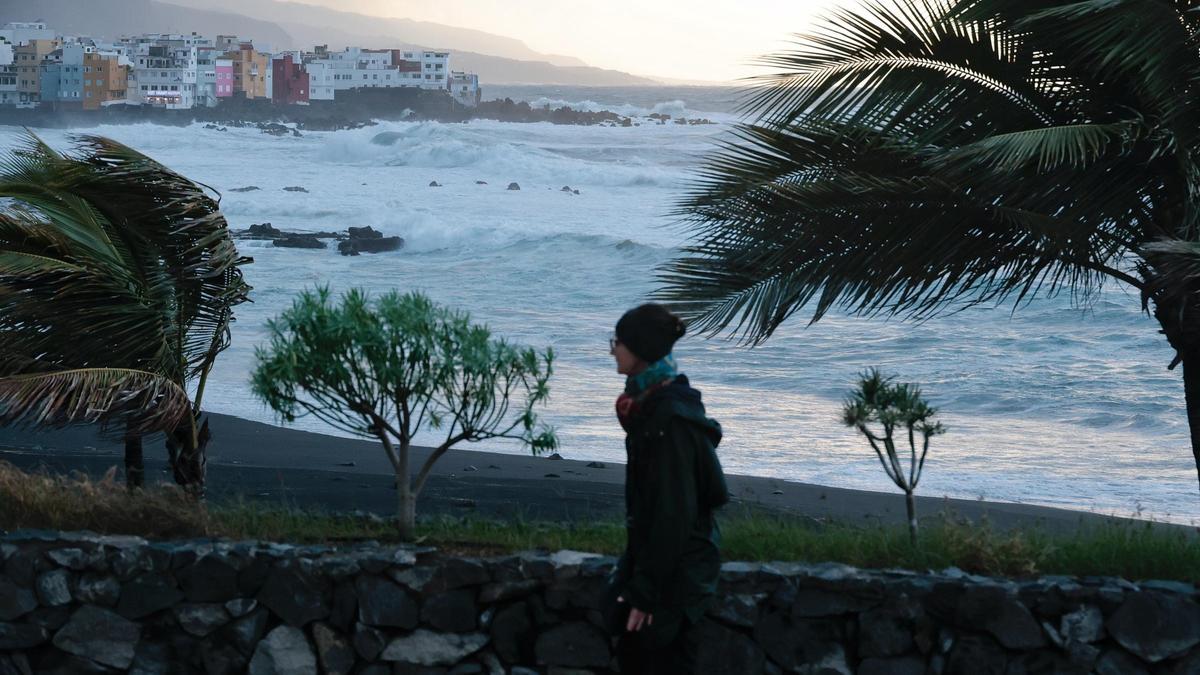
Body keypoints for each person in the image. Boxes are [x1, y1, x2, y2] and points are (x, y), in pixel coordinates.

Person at [604, 303, 730, 674]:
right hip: (663, 571)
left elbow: (673, 515)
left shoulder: (668, 419)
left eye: (618, 342)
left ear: (639, 348)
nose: (612, 349)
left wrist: (644, 593)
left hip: (677, 580)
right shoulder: (650, 406)